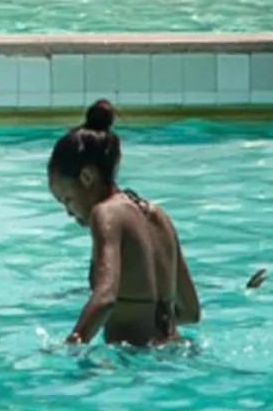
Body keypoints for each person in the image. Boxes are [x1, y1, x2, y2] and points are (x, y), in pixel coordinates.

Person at [49, 99, 200, 347]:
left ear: (87, 177)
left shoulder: (106, 213)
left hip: (135, 365)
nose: (68, 212)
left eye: (67, 199)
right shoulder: (157, 215)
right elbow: (190, 312)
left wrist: (73, 343)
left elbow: (106, 297)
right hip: (174, 350)